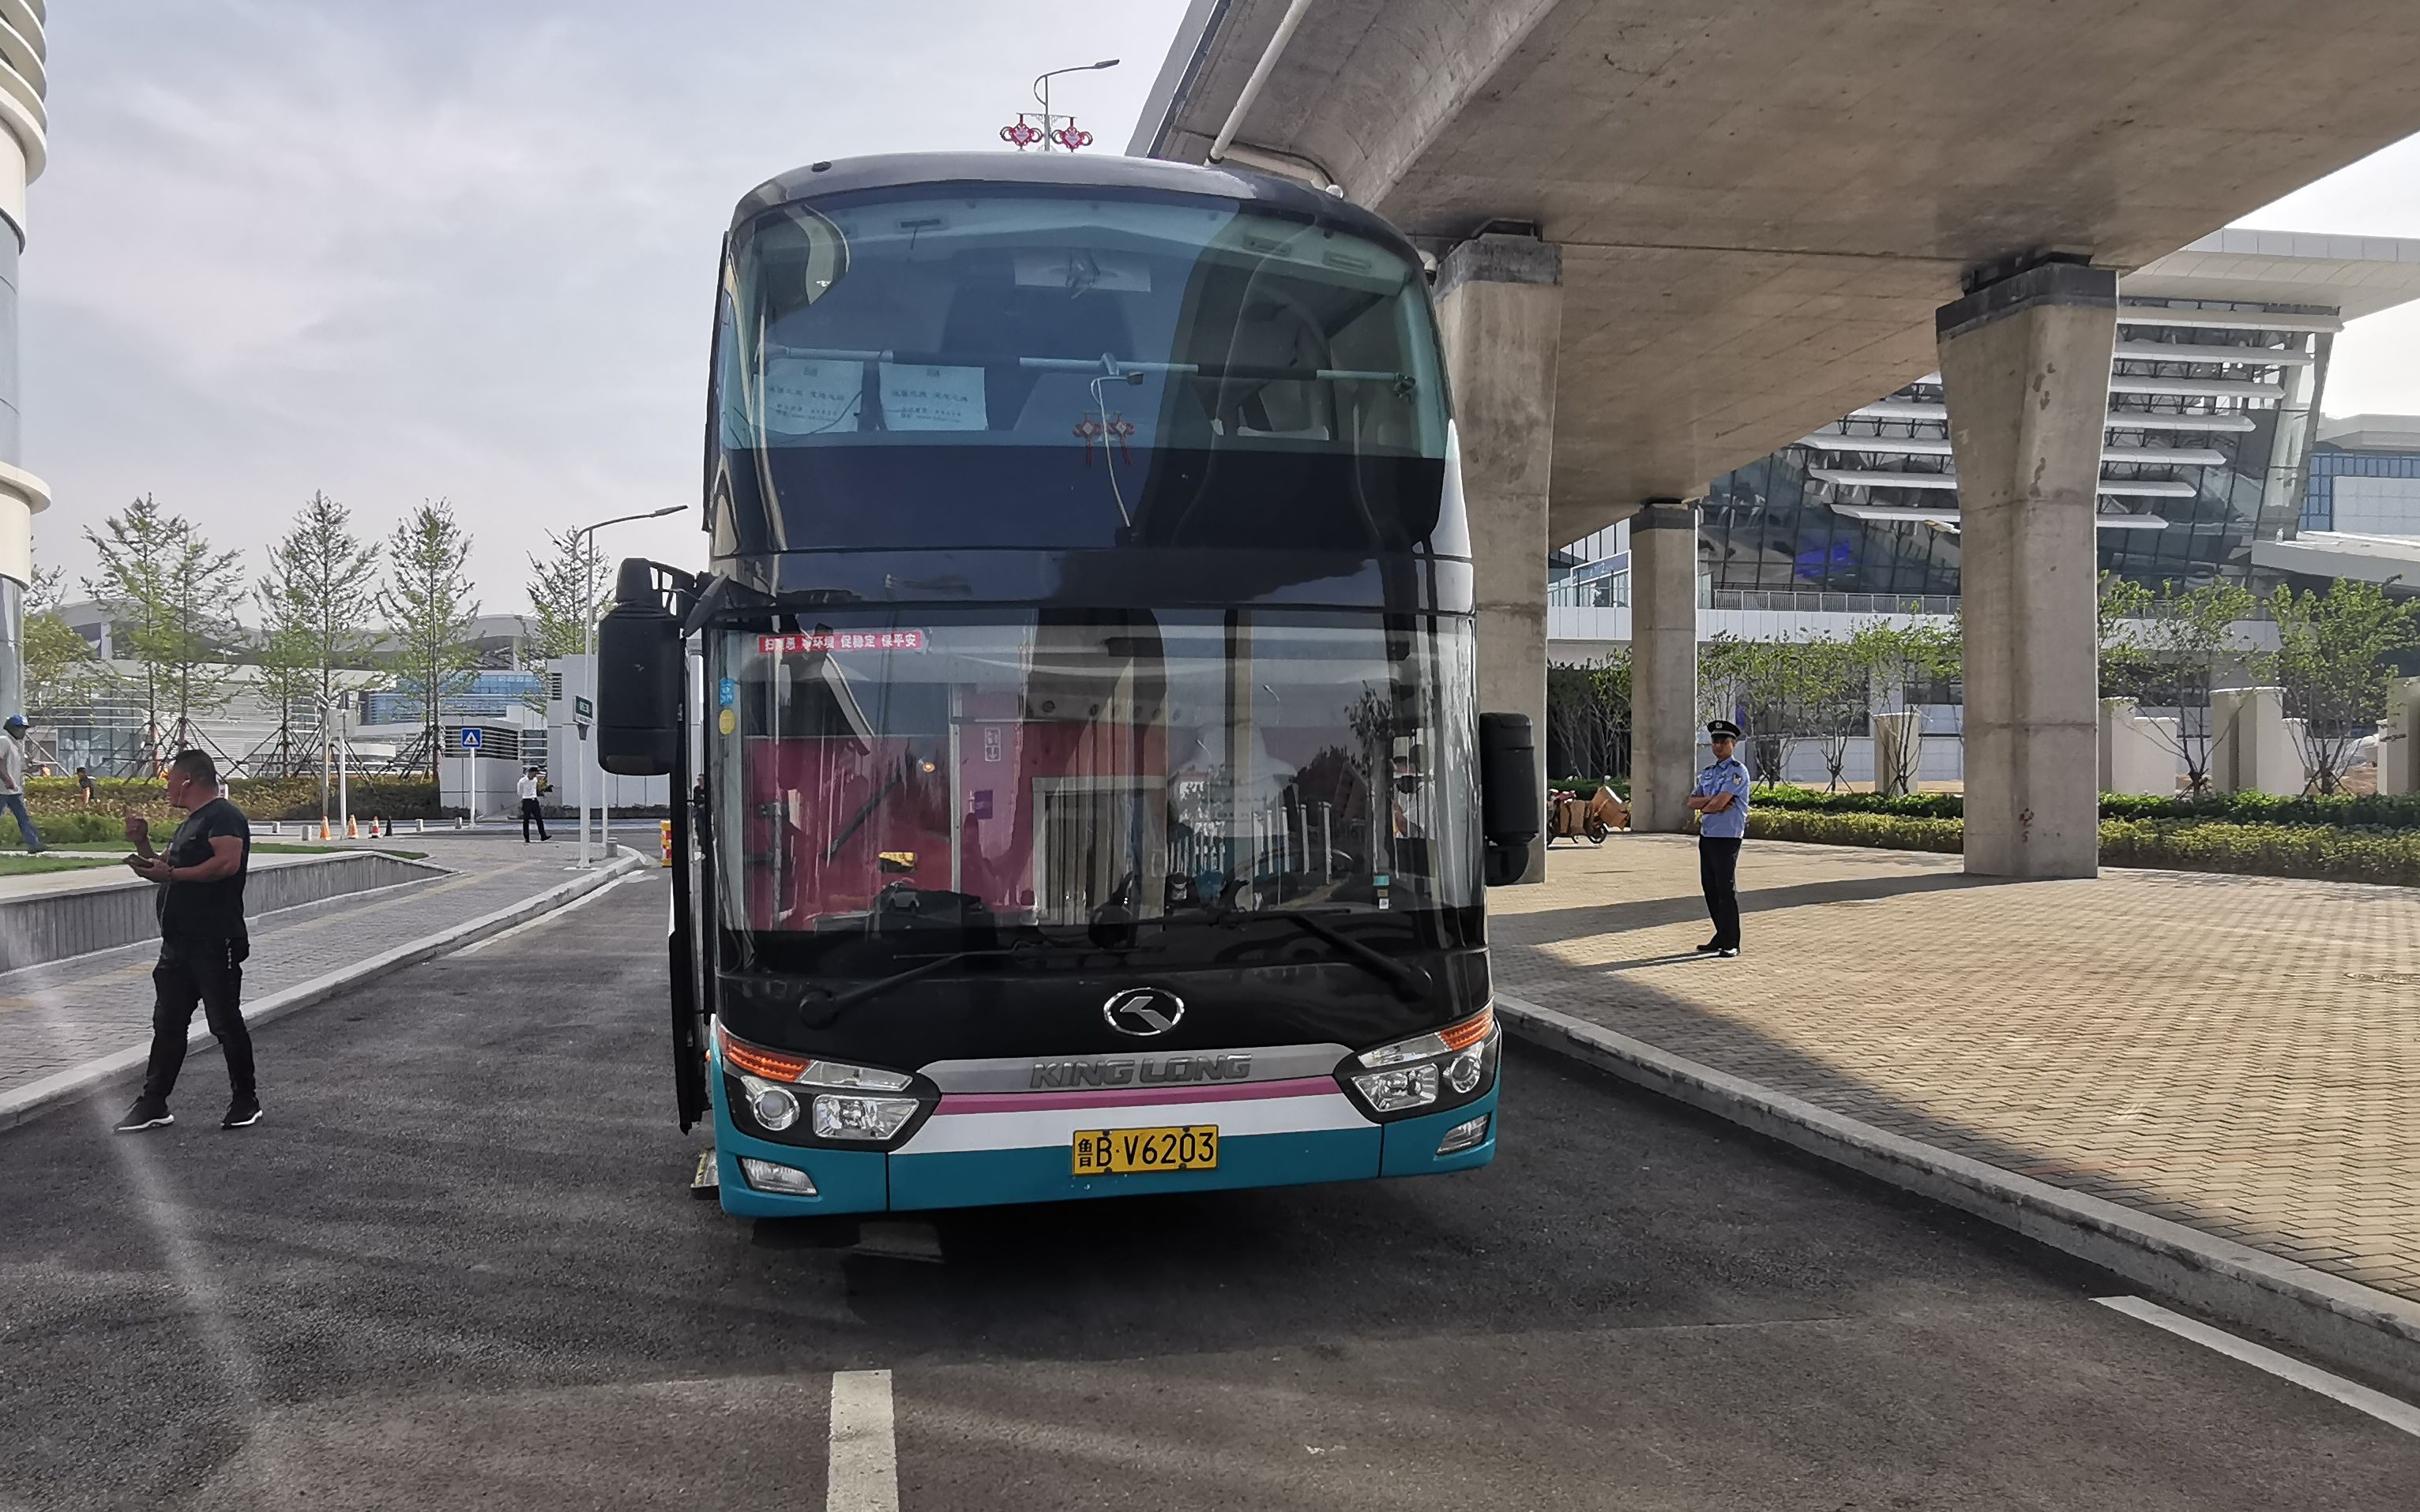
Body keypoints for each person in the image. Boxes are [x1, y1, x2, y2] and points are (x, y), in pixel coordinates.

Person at [114, 750, 258, 1132]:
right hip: (178, 943)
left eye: (170, 778)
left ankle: (246, 1099)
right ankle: (153, 1103)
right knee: (168, 1023)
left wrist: (174, 875)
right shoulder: (190, 825)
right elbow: (165, 870)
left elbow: (226, 863)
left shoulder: (223, 815)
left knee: (225, 1022)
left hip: (215, 938)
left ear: (188, 780)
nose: (167, 787)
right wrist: (143, 848)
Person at [1688, 718, 1750, 959]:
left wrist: (1710, 803)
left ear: (1733, 744)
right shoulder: (1709, 773)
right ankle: (1721, 934)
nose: (1718, 745)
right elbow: (1692, 802)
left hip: (1728, 837)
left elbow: (1720, 803)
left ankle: (1732, 941)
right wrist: (1709, 804)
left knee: (1725, 888)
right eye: (1715, 741)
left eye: (1723, 741)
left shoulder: (1737, 771)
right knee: (1710, 888)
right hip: (1708, 835)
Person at [0, 715, 43, 853]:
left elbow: (19, 767)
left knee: (24, 818)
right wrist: (7, 779)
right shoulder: (4, 741)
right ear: (12, 728)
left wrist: (32, 769)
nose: (23, 731)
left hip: (14, 790)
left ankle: (34, 844)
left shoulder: (18, 745)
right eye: (20, 728)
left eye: (24, 728)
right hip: (2, 789)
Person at [517, 765, 551, 842]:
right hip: (527, 800)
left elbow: (535, 789)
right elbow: (519, 792)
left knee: (539, 819)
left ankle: (543, 835)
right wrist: (525, 797)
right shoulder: (522, 781)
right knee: (526, 820)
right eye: (534, 774)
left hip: (534, 800)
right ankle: (527, 837)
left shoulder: (535, 780)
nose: (535, 775)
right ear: (530, 773)